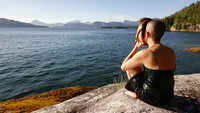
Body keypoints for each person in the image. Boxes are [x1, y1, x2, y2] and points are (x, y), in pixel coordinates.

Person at [121, 18, 176, 106]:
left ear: (147, 34)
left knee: (131, 65)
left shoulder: (145, 53)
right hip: (168, 96)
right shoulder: (171, 51)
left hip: (151, 98)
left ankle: (133, 92)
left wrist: (135, 49)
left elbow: (123, 66)